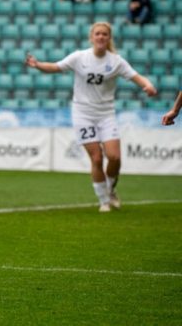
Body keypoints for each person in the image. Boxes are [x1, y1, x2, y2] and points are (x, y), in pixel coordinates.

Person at [25, 22, 157, 212]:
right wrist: (37, 65)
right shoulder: (80, 57)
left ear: (109, 38)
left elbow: (137, 76)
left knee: (115, 157)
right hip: (83, 114)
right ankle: (104, 200)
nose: (101, 37)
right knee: (96, 158)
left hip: (106, 114)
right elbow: (55, 67)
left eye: (105, 34)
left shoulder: (116, 61)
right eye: (98, 34)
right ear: (92, 37)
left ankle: (111, 190)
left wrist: (148, 85)